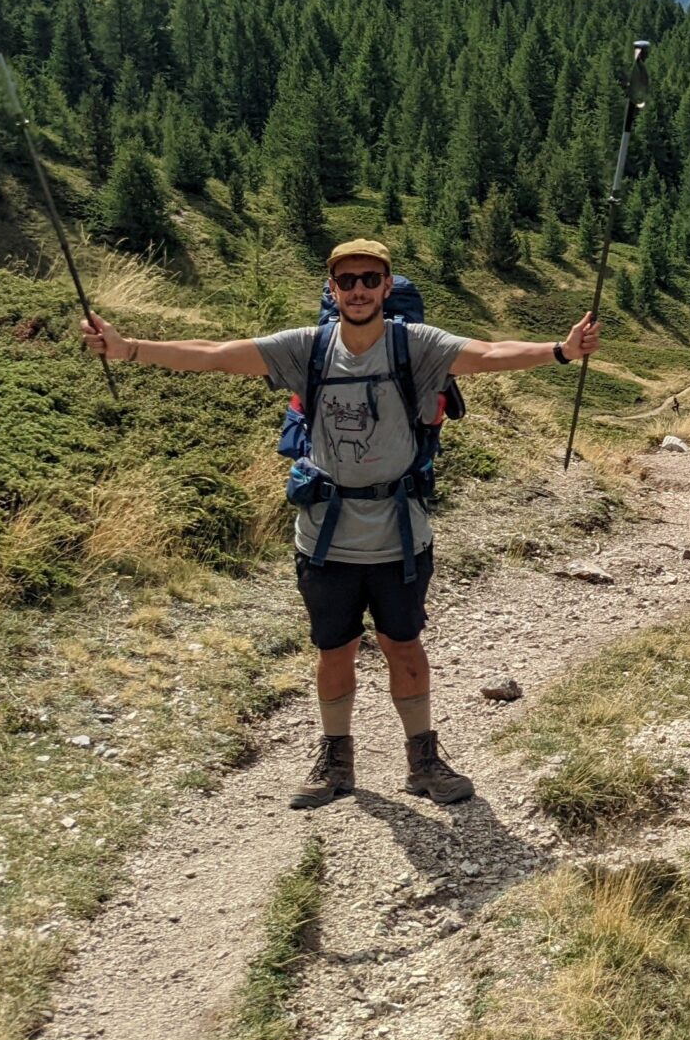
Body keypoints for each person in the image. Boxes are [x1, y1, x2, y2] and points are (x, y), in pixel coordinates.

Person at [80, 238, 597, 811]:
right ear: (332, 288)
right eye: (346, 280)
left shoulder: (415, 344)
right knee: (334, 651)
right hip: (326, 534)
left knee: (404, 646)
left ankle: (423, 759)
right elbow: (216, 353)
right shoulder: (307, 347)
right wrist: (129, 349)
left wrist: (559, 350)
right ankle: (336, 758)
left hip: (399, 533)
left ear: (384, 285)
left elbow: (488, 353)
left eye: (369, 279)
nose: (357, 289)